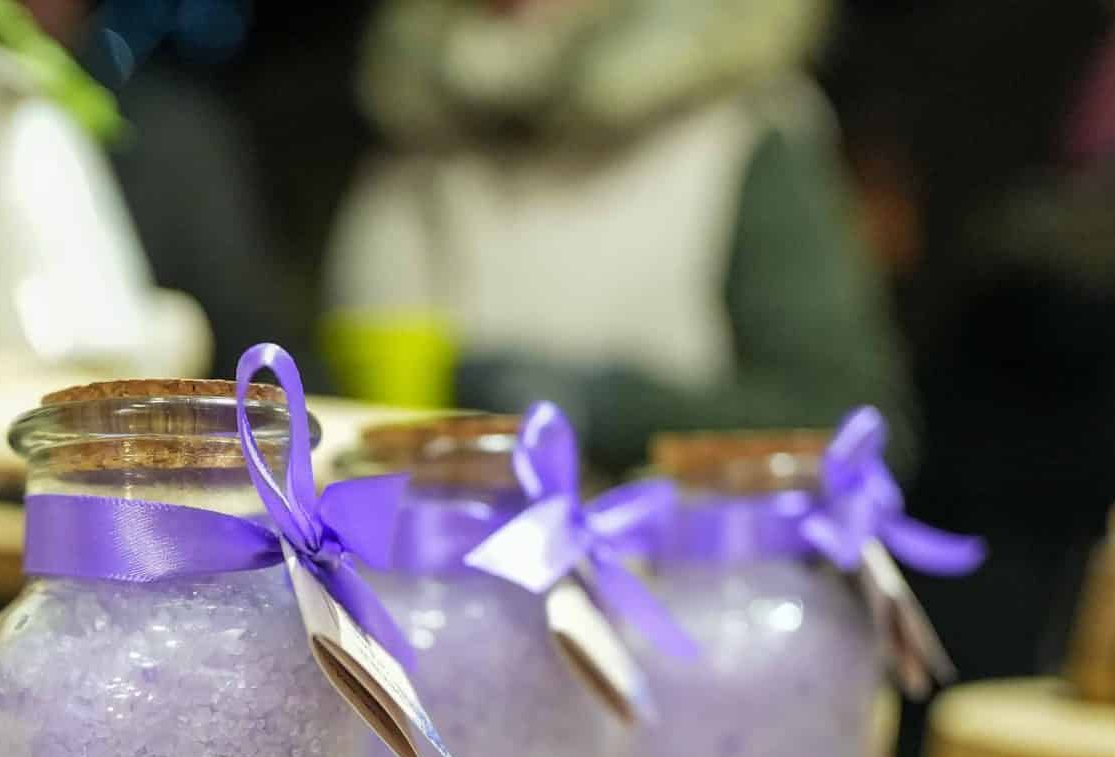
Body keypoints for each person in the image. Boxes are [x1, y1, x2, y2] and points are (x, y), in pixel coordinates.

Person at [324, 0, 914, 472]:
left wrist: (604, 407)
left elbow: (856, 426)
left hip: (670, 568)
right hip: (411, 561)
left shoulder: (737, 135)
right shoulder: (413, 143)